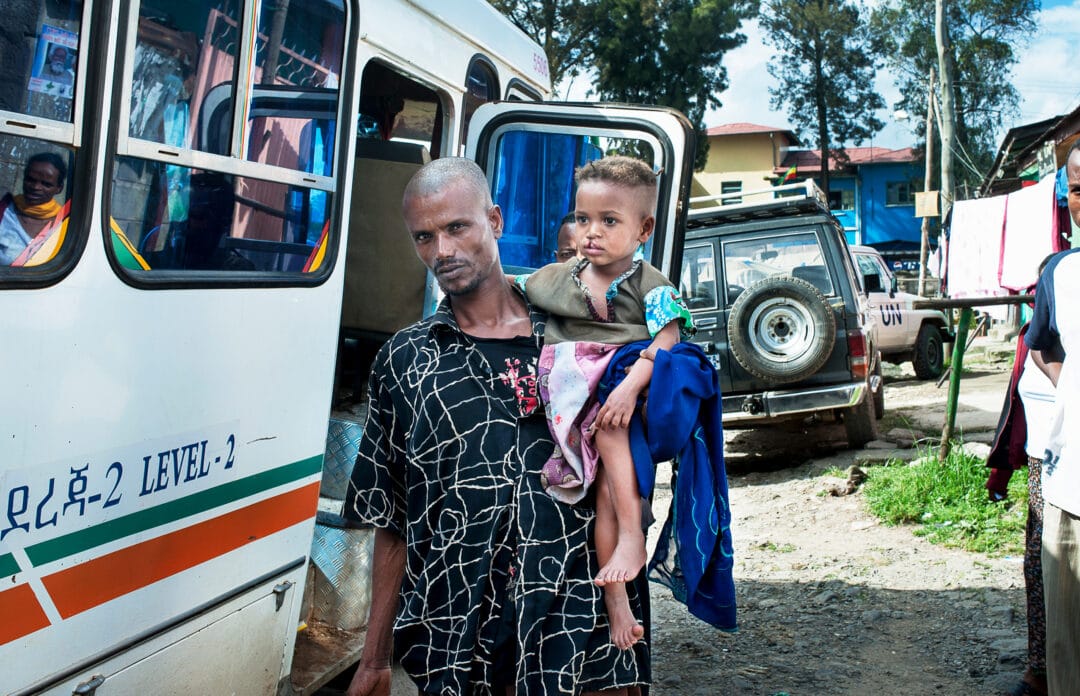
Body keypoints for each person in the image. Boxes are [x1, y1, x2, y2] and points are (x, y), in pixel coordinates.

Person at [343, 157, 648, 696]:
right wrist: (373, 659)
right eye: (424, 236)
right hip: (457, 645)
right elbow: (391, 519)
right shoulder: (406, 363)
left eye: (457, 227)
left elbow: (625, 475)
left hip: (577, 636)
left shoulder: (576, 336)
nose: (442, 251)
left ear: (496, 220)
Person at [515, 156, 694, 649]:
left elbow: (668, 343)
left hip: (624, 403)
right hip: (574, 399)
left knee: (615, 497)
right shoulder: (563, 277)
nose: (590, 233)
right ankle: (620, 585)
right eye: (582, 218)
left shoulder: (650, 286)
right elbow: (515, 289)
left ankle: (625, 568)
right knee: (607, 498)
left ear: (644, 228)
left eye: (609, 221)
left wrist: (630, 383)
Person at [986, 256, 1057, 696]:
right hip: (1039, 468)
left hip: (1071, 466)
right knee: (1038, 569)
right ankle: (1041, 668)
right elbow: (1016, 402)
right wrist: (1002, 468)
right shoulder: (1030, 340)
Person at [1026, 140, 1080, 696]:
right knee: (1067, 647)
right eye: (1079, 189)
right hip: (1070, 491)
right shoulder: (1062, 273)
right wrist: (1073, 390)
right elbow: (1041, 345)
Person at [146, 171, 255, 271]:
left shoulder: (236, 271)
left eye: (196, 215)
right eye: (181, 214)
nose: (183, 223)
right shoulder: (159, 261)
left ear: (223, 223)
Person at [0, 152, 67, 265]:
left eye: (46, 184)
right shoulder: (4, 212)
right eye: (30, 180)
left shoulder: (65, 224)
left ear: (58, 189)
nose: (36, 187)